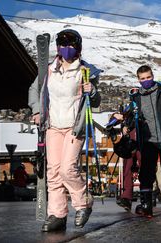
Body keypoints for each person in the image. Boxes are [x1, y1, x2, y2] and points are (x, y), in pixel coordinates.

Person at [28, 29, 102, 232]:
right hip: (52, 126)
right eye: (63, 44)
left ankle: (83, 202)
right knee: (53, 172)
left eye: (70, 45)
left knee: (67, 169)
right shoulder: (49, 69)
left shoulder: (86, 71)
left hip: (74, 126)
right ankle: (57, 214)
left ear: (77, 47)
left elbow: (95, 101)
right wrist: (36, 111)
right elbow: (34, 91)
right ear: (57, 47)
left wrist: (92, 91)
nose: (66, 48)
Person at [113, 65, 161, 217]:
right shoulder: (136, 98)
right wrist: (127, 125)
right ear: (138, 80)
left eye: (148, 77)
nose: (146, 81)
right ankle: (146, 204)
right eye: (142, 79)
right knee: (146, 173)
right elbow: (133, 117)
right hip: (147, 141)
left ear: (153, 76)